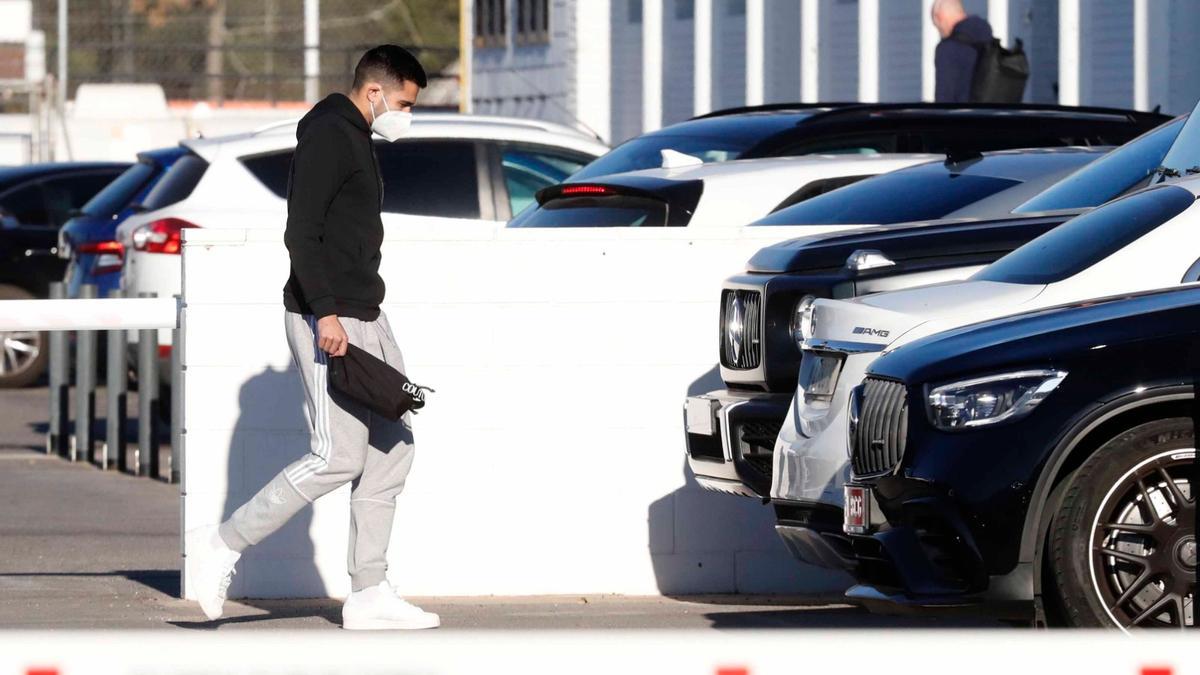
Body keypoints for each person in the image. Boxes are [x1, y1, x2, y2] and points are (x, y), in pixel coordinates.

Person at [184, 45, 440, 631]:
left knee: (393, 446)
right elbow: (302, 233)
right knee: (337, 455)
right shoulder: (328, 131)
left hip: (366, 312)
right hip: (327, 316)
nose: (407, 115)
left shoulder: (355, 135)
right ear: (374, 92)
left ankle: (369, 592)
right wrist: (324, 314)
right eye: (404, 103)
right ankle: (221, 544)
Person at [931, 0, 994, 103]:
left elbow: (944, 101)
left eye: (937, 25)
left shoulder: (947, 50)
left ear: (940, 16)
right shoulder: (988, 41)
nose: (940, 32)